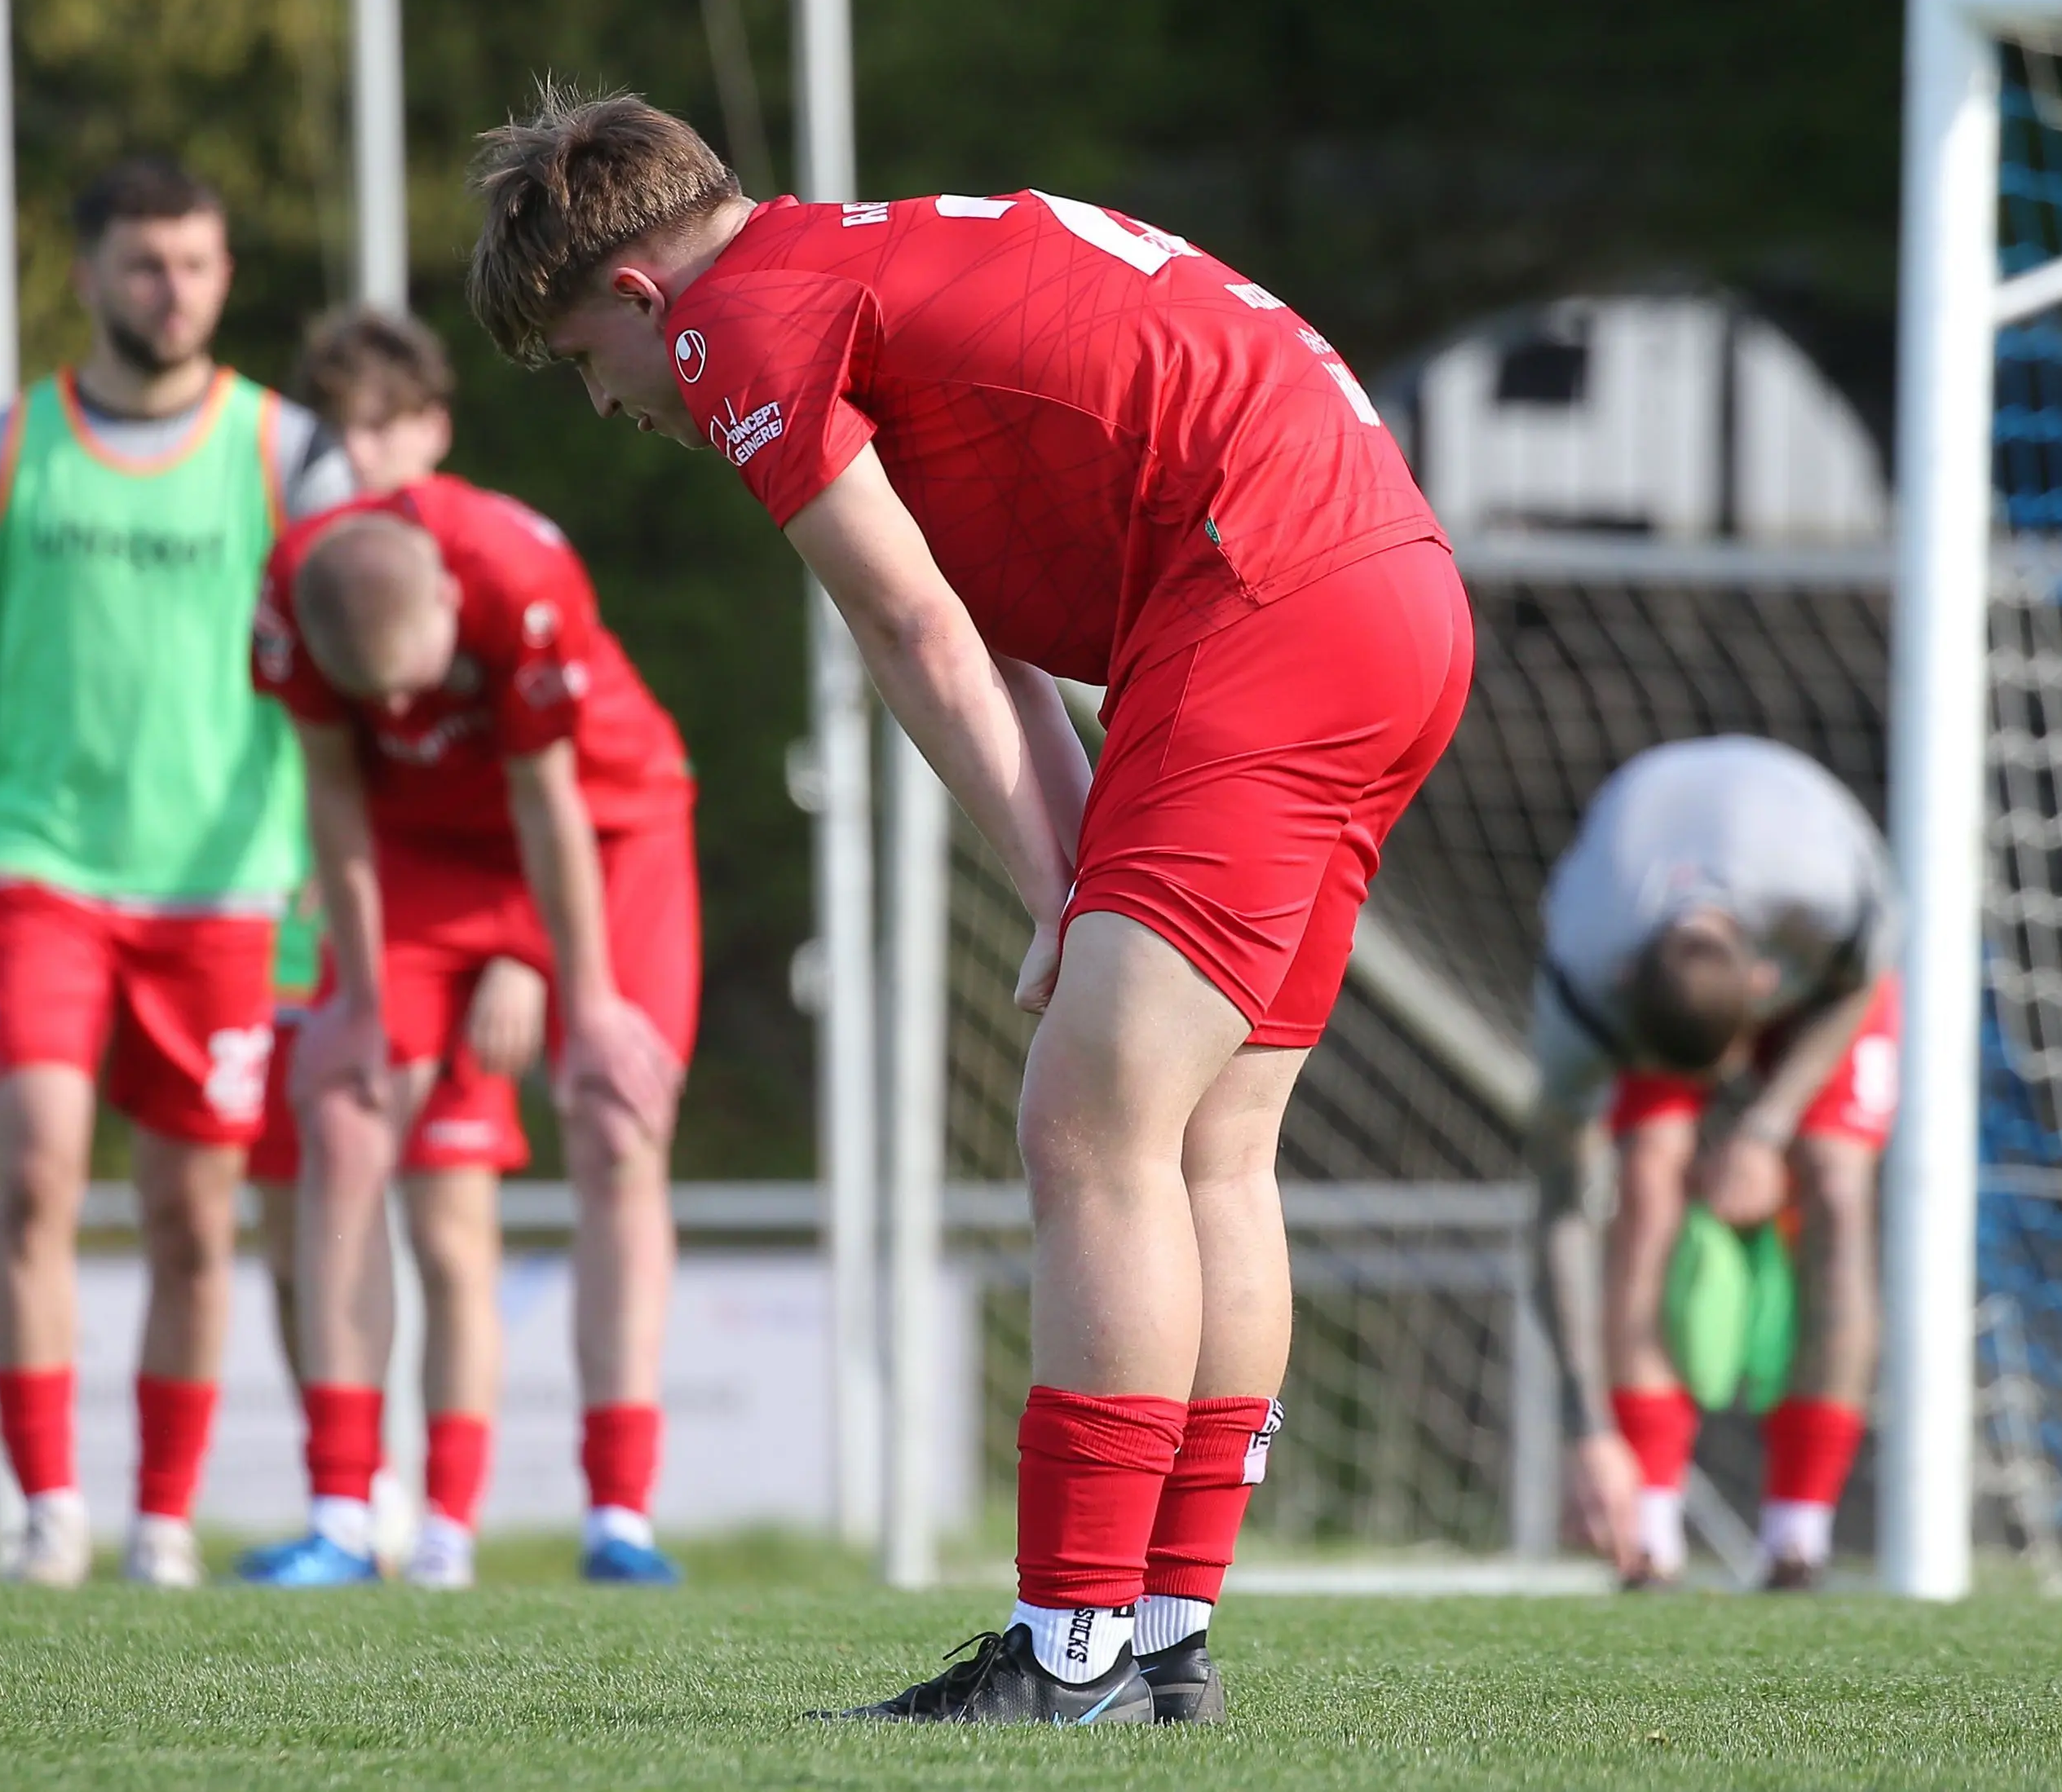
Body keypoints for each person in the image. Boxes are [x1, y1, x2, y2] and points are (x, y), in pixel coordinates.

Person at [466, 90, 1468, 1721]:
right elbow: (974, 622)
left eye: (586, 362)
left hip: (1259, 603)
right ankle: (1156, 1646)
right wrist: (1068, 888)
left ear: (642, 296)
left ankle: (1065, 1648)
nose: (608, 405)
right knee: (1211, 1145)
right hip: (1384, 590)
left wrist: (1057, 902)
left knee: (1089, 1130)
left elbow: (915, 632)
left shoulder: (737, 321)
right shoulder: (855, 259)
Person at [0, 156, 354, 1589]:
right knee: (34, 1175)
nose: (175, 291)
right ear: (88, 274)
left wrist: (341, 863)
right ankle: (44, 1510)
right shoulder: (1, 448)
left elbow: (355, 668)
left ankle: (163, 1517)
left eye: (199, 265)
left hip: (223, 884)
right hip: (36, 863)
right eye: (146, 265)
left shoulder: (290, 453)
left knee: (191, 1217)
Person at [246, 307, 702, 1588]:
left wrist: (588, 996)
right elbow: (334, 794)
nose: (401, 712)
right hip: (429, 856)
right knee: (342, 1116)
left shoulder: (514, 567)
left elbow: (550, 797)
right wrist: (354, 993)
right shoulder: (296, 587)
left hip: (602, 832)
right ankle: (347, 1509)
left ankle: (621, 1514)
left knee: (617, 1120)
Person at [1524, 735, 1897, 1591]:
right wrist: (1585, 1427)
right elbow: (1555, 1210)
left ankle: (1797, 1540)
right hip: (1659, 909)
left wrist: (1764, 1128)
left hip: (1827, 965)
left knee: (1837, 1186)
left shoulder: (1822, 901)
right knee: (1647, 1180)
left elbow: (1862, 984)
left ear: (1766, 982)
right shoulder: (1581, 979)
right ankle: (1646, 1528)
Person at [241, 878, 545, 1589]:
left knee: (454, 1249)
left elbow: (519, 803)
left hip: (440, 959)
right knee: (301, 1260)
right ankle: (361, 1499)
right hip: (287, 981)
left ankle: (448, 1528)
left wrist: (522, 949)